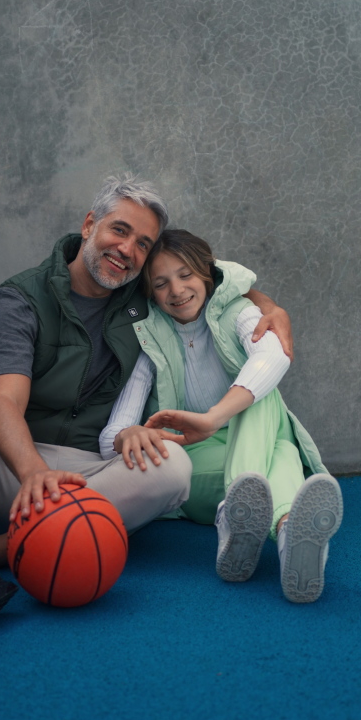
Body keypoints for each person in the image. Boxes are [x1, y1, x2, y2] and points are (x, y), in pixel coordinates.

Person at [0, 179, 293, 644]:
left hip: (92, 475)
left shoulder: (141, 296)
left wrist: (269, 306)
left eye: (142, 244)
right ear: (89, 226)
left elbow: (211, 279)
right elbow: (4, 402)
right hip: (10, 465)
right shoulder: (22, 297)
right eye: (119, 231)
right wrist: (31, 471)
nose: (127, 250)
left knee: (172, 468)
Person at [99, 229, 343, 604]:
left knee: (259, 397)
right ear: (150, 292)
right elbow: (113, 433)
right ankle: (287, 527)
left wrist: (214, 417)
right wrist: (124, 436)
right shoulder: (149, 338)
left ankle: (249, 520)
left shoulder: (237, 312)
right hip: (199, 462)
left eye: (185, 275)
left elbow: (274, 356)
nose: (176, 291)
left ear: (206, 275)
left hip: (248, 434)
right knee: (283, 455)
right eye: (161, 284)